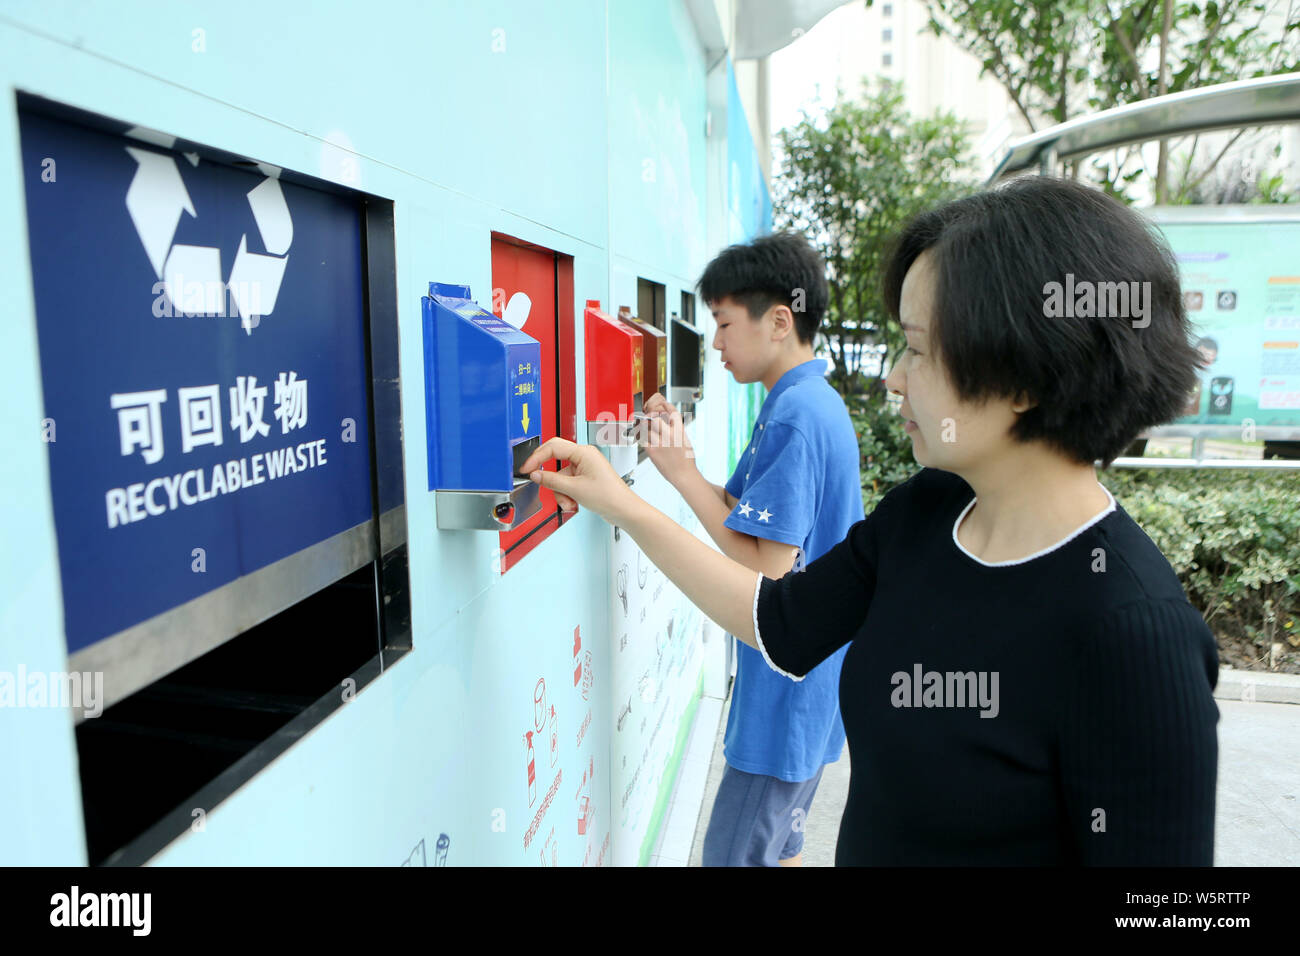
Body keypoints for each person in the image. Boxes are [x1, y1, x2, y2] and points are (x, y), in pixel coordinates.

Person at [522, 177, 1219, 865]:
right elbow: (780, 621)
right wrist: (620, 498)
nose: (893, 377)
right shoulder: (928, 511)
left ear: (1023, 377)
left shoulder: (1134, 633)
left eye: (916, 349)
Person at [639, 232, 863, 867]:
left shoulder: (795, 415)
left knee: (736, 855)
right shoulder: (805, 403)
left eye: (723, 323)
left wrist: (681, 477)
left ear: (779, 320)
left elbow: (764, 565)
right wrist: (681, 464)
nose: (714, 344)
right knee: (780, 847)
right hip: (810, 692)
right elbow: (744, 523)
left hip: (786, 701)